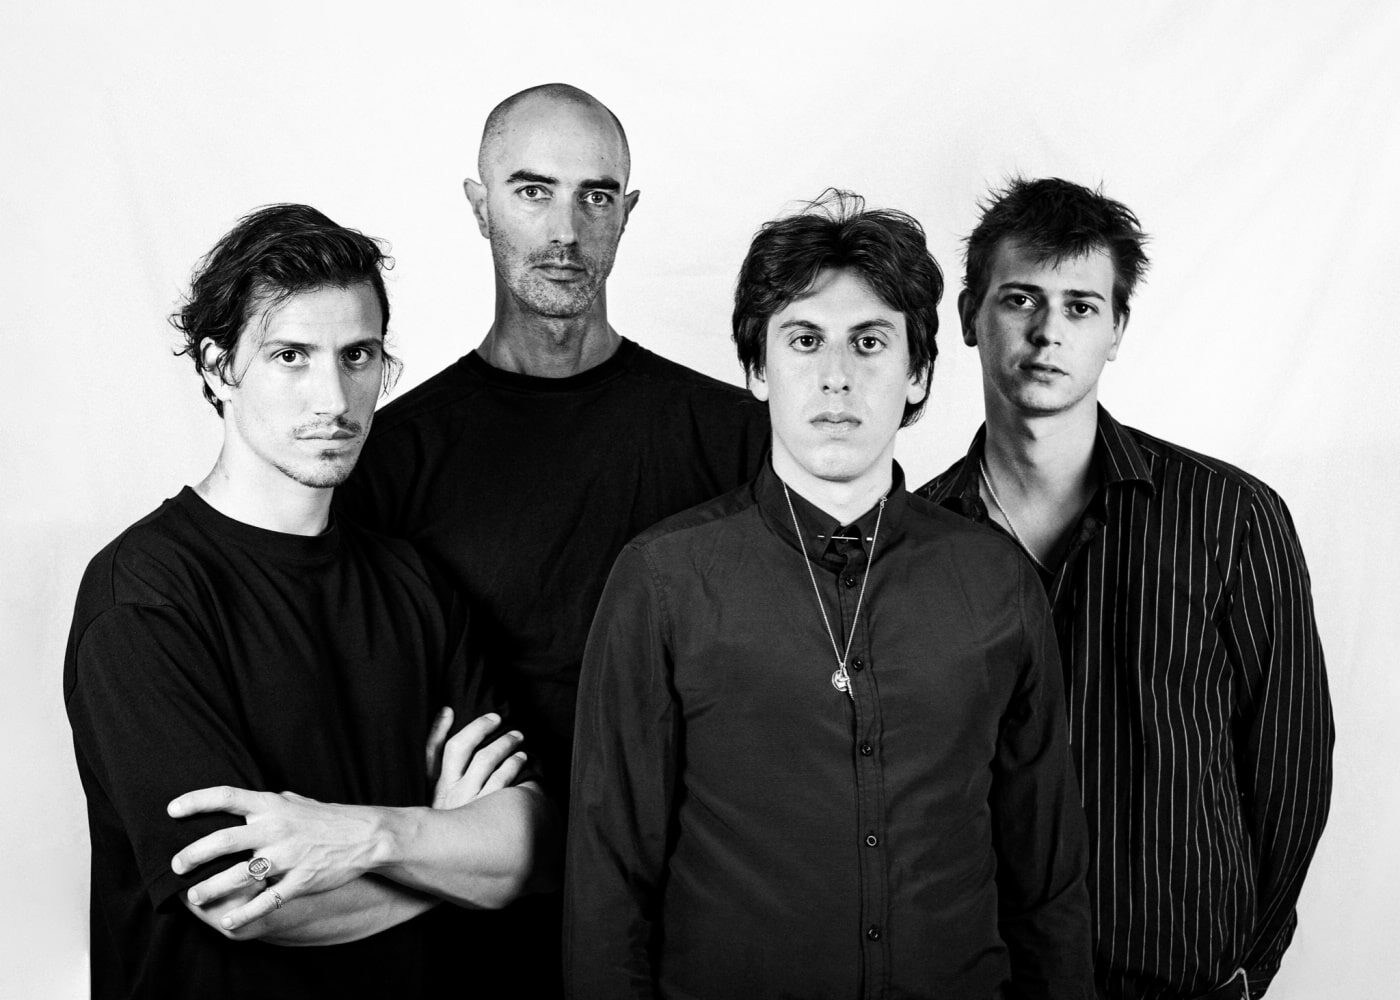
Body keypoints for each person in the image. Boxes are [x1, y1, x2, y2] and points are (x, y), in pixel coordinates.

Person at [565, 192, 1094, 999]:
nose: (837, 377)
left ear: (917, 375)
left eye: (870, 342)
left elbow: (1046, 884)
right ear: (757, 369)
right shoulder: (665, 580)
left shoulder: (997, 582)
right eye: (804, 340)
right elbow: (608, 885)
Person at [335, 84, 769, 992]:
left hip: (689, 930)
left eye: (595, 196)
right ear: (479, 205)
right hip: (471, 936)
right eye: (533, 192)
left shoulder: (734, 439)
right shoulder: (389, 461)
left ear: (627, 212)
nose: (566, 229)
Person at [63, 204, 551, 1000]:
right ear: (218, 368)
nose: (334, 397)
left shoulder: (413, 583)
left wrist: (367, 839)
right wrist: (443, 847)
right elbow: (241, 899)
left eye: (358, 355)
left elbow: (528, 848)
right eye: (291, 356)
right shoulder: (145, 595)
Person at [917, 177, 1334, 999]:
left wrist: (1245, 971)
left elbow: (1290, 773)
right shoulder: (911, 547)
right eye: (1019, 299)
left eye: (1080, 307)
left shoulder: (1231, 519)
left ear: (1116, 330)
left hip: (1182, 984)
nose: (1047, 331)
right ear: (968, 316)